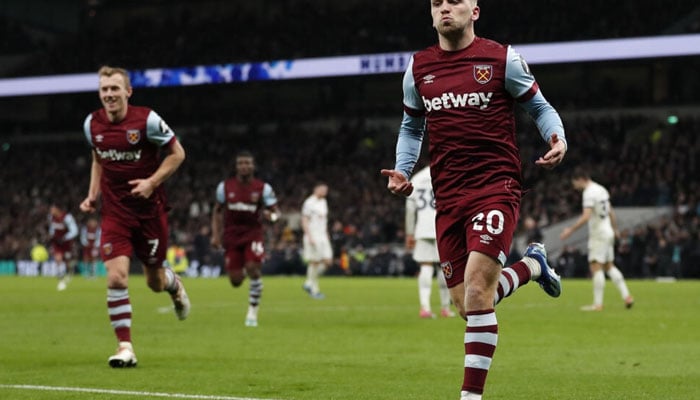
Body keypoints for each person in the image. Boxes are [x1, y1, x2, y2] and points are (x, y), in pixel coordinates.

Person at [380, 1, 567, 398]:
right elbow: (411, 126)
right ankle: (532, 266)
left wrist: (557, 136)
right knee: (468, 305)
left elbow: (538, 105)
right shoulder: (418, 68)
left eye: (454, 1)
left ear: (475, 11)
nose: (445, 8)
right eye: (436, 3)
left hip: (495, 186)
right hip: (448, 198)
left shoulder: (501, 59)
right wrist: (403, 168)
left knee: (479, 291)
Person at [79, 65, 190, 368]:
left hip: (150, 213)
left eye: (115, 88)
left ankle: (174, 285)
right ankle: (125, 346)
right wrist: (92, 195)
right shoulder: (92, 124)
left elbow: (178, 153)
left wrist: (151, 182)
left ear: (128, 91)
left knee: (154, 282)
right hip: (115, 213)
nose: (110, 94)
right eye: (105, 89)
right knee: (116, 276)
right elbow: (97, 159)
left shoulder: (147, 120)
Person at [211, 151, 280, 327]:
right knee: (235, 281)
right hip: (231, 235)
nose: (244, 166)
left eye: (247, 163)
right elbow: (217, 211)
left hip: (253, 234)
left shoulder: (263, 188)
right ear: (236, 166)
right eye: (241, 163)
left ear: (253, 166)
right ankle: (244, 271)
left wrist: (269, 216)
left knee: (253, 268)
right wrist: (215, 235)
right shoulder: (225, 187)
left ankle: (252, 312)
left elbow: (276, 213)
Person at [560, 168, 634, 311]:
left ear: (580, 179)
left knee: (596, 266)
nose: (574, 186)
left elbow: (586, 216)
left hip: (599, 234)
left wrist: (570, 230)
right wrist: (615, 229)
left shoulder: (589, 193)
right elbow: (611, 211)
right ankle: (627, 296)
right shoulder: (601, 189)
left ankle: (598, 304)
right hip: (608, 231)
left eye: (574, 183)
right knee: (609, 266)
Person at [405, 165, 455, 318]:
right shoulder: (447, 175)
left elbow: (410, 209)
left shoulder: (417, 179)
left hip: (423, 228)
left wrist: (410, 233)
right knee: (444, 267)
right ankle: (445, 308)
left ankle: (425, 308)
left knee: (425, 266)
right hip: (443, 227)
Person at [301, 182, 332, 299]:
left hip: (323, 236)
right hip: (313, 235)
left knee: (328, 261)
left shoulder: (324, 202)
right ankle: (314, 289)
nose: (325, 192)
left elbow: (323, 220)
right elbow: (304, 220)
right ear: (316, 189)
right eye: (323, 190)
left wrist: (326, 233)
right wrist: (309, 236)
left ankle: (308, 282)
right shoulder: (309, 202)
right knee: (315, 262)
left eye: (326, 190)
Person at [48, 204, 79, 291]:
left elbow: (75, 231)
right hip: (57, 242)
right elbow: (52, 228)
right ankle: (61, 279)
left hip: (67, 243)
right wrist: (51, 235)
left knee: (67, 261)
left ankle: (70, 272)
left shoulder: (67, 217)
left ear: (57, 209)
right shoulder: (51, 217)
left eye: (52, 209)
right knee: (58, 259)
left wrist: (65, 237)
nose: (51, 211)